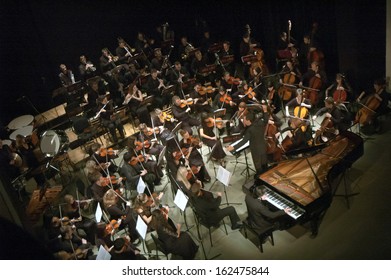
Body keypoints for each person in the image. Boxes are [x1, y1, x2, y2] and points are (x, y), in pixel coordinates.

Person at [226, 110, 269, 175]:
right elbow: (266, 120)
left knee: (258, 164)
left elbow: (244, 141)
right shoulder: (260, 122)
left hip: (255, 149)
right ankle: (266, 175)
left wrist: (233, 147)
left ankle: (260, 177)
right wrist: (265, 111)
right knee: (264, 162)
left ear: (249, 121)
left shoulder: (250, 130)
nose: (244, 121)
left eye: (245, 120)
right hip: (263, 146)